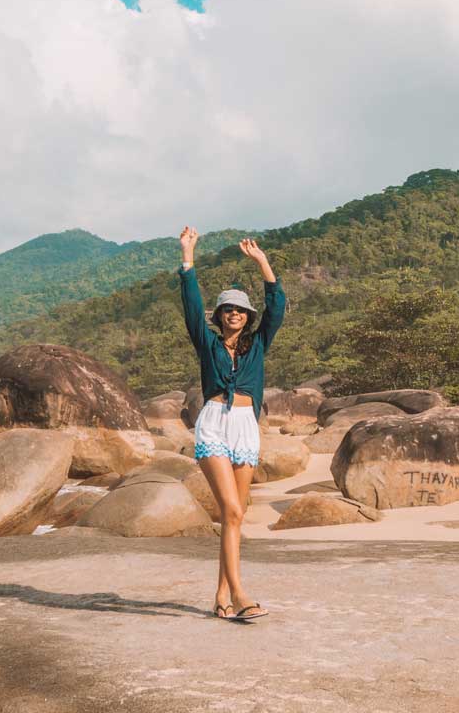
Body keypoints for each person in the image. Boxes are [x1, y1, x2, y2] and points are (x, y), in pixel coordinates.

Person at [177, 225, 285, 621]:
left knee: (233, 516)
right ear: (220, 316)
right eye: (228, 309)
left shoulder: (258, 344)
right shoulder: (206, 342)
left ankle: (220, 596)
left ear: (247, 316)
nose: (235, 314)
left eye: (240, 309)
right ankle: (240, 594)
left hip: (244, 427)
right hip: (213, 425)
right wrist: (188, 257)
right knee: (232, 511)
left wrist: (262, 262)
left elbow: (277, 306)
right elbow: (191, 306)